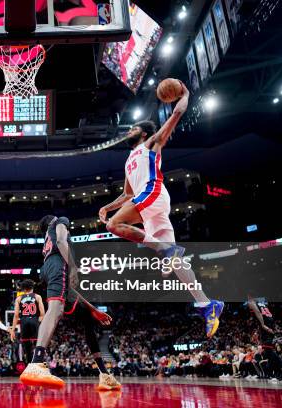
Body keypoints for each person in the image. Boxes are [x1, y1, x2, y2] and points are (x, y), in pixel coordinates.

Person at [98, 81, 223, 337]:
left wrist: (185, 94)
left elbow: (176, 115)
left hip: (153, 192)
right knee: (173, 264)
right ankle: (207, 304)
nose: (129, 131)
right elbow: (127, 194)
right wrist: (107, 206)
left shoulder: (151, 143)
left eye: (133, 128)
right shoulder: (129, 160)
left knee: (114, 227)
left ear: (143, 133)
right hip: (149, 204)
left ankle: (166, 248)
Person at [20, 215, 121, 390]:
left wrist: (93, 309)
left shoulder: (46, 240)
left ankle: (104, 374)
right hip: (57, 264)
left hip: (47, 268)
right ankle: (36, 363)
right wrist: (73, 266)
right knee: (56, 309)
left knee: (87, 318)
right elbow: (61, 240)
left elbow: (71, 291)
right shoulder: (60, 221)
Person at [247, 295, 282, 381]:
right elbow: (269, 314)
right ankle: (278, 374)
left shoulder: (251, 301)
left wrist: (263, 325)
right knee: (268, 352)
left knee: (269, 351)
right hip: (269, 323)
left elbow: (257, 312)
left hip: (266, 326)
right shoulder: (262, 303)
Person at [10, 280, 45, 365]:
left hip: (24, 321)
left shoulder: (18, 298)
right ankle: (38, 364)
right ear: (32, 287)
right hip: (34, 320)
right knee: (38, 345)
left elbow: (16, 315)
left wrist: (12, 330)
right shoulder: (37, 297)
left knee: (27, 347)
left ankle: (29, 365)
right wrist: (37, 321)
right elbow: (42, 313)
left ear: (23, 289)